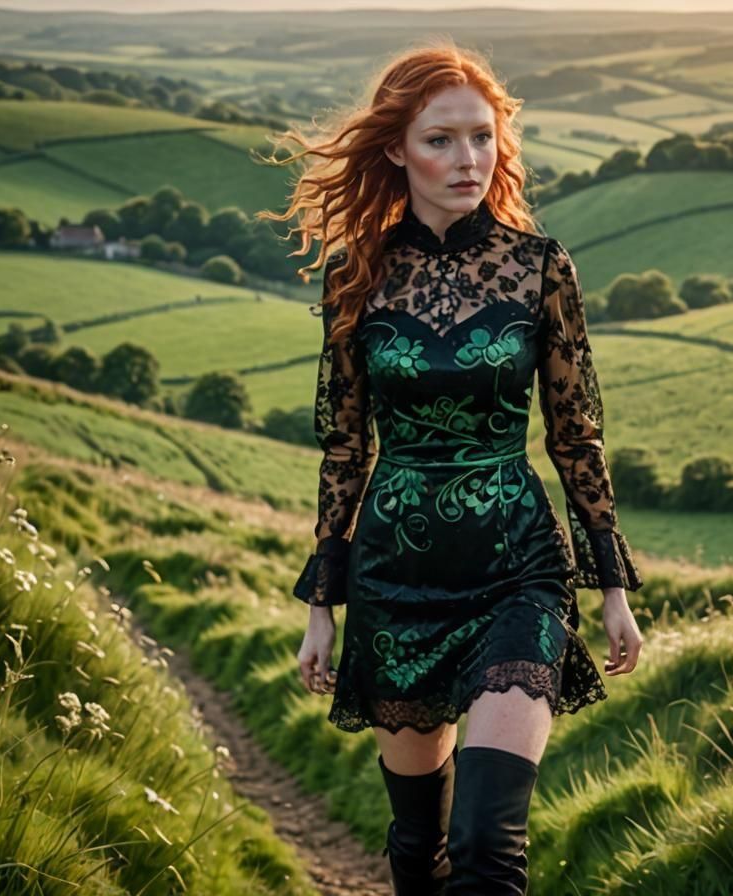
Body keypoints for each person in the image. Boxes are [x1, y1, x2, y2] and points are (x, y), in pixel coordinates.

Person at [258, 40, 644, 896]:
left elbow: (576, 434)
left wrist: (611, 584)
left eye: (482, 136)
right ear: (396, 148)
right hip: (396, 577)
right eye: (441, 139)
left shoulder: (539, 267)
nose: (468, 158)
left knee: (485, 844)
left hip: (518, 571)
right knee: (416, 843)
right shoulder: (356, 275)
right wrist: (322, 601)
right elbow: (346, 445)